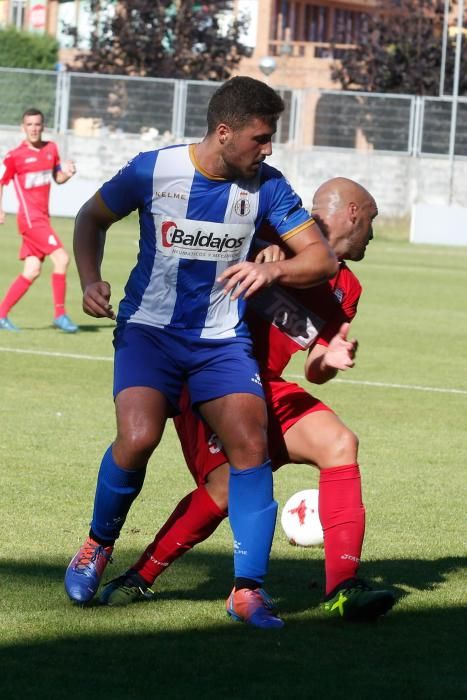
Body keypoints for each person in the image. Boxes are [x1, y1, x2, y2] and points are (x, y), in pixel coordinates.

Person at [64, 76, 338, 629]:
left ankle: (247, 591)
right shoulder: (153, 169)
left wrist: (273, 267)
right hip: (148, 332)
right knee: (138, 437)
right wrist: (90, 279)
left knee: (250, 445)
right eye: (260, 138)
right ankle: (98, 544)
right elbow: (90, 218)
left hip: (220, 342)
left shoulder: (268, 186)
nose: (268, 149)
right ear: (223, 132)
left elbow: (322, 259)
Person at [98, 177, 395, 622]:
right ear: (353, 213)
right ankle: (138, 576)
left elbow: (314, 364)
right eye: (371, 220)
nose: (373, 234)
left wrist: (329, 359)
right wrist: (256, 249)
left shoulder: (347, 289)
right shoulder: (273, 232)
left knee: (339, 444)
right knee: (221, 492)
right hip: (211, 378)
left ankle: (344, 589)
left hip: (266, 385)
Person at [0, 109, 78, 332]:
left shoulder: (51, 149)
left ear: (43, 126)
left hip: (43, 219)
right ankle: (60, 315)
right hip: (30, 221)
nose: (33, 128)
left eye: (37, 124)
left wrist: (68, 174)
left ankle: (1, 314)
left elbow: (58, 178)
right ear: (22, 128)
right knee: (62, 259)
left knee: (32, 270)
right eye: (29, 124)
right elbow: (1, 181)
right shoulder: (15, 156)